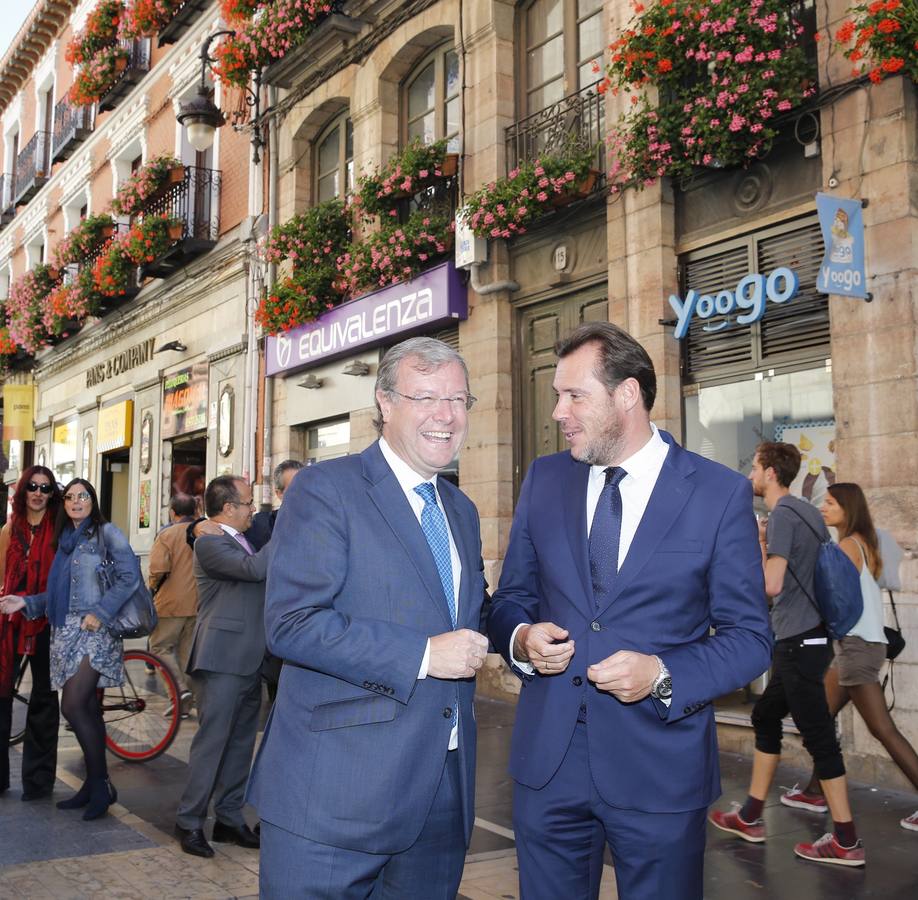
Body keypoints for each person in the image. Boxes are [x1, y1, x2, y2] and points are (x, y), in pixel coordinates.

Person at [487, 322, 772, 900]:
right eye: (556, 397)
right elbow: (510, 597)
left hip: (659, 769)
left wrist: (661, 673)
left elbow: (748, 638)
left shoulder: (717, 494)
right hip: (548, 765)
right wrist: (519, 637)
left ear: (627, 395)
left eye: (574, 395)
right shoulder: (544, 479)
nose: (559, 412)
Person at [247, 336, 489, 898]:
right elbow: (293, 623)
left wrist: (521, 639)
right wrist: (424, 655)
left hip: (440, 793)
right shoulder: (325, 488)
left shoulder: (461, 509)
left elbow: (464, 611)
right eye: (426, 397)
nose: (446, 416)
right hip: (335, 795)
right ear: (385, 403)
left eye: (458, 399)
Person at [709, 443, 866, 866]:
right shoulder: (808, 510)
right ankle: (750, 815)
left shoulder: (780, 516)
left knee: (818, 738)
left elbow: (771, 585)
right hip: (806, 638)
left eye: (755, 468)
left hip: (799, 640)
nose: (751, 476)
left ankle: (846, 841)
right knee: (764, 716)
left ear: (771, 473)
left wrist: (759, 546)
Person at [779, 482, 918, 833]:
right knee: (820, 721)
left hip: (857, 648)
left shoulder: (847, 546)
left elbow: (828, 595)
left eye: (830, 503)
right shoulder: (864, 542)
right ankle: (815, 790)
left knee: (882, 729)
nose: (823, 508)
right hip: (857, 648)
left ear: (847, 508)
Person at [0, 479, 140, 821]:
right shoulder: (64, 542)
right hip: (66, 632)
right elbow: (56, 595)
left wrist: (102, 613)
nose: (77, 501)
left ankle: (101, 784)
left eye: (84, 495)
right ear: (63, 504)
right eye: (71, 497)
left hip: (96, 631)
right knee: (87, 708)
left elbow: (130, 577)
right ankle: (94, 785)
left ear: (93, 500)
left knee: (74, 705)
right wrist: (25, 602)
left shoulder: (107, 533)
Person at [174, 475, 270, 859]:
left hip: (250, 659)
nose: (253, 509)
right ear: (228, 508)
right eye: (248, 503)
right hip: (221, 658)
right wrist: (290, 534)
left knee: (241, 744)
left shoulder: (244, 535)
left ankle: (228, 819)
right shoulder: (210, 542)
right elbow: (252, 570)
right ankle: (189, 821)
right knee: (211, 745)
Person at [0, 467, 62, 800]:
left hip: (45, 620)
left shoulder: (60, 530)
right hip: (10, 622)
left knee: (43, 700)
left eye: (45, 488)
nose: (38, 493)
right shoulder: (10, 530)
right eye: (33, 487)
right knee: (1, 696)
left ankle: (38, 783)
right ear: (23, 491)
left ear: (53, 494)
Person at [147, 493, 198, 719]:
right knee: (188, 654)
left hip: (170, 603)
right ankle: (187, 704)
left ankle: (179, 691)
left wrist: (152, 587)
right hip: (197, 603)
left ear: (172, 512)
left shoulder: (167, 534)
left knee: (159, 647)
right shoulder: (203, 531)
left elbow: (158, 569)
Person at [246, 459, 303, 551]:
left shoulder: (326, 521)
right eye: (295, 488)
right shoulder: (261, 524)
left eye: (306, 486)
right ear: (279, 493)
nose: (302, 492)